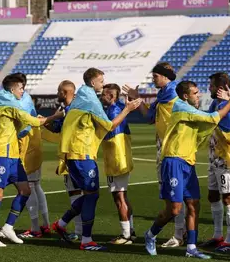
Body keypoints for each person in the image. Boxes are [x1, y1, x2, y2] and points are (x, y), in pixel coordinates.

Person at [144, 81, 230, 259]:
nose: (199, 96)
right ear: (185, 96)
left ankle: (191, 247)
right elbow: (211, 119)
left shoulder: (190, 110)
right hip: (173, 160)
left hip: (187, 161)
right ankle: (150, 235)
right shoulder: (181, 108)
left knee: (193, 205)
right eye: (195, 93)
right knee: (174, 209)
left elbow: (207, 121)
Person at [52, 68, 141, 251]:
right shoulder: (91, 100)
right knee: (92, 196)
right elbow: (109, 126)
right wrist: (127, 109)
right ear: (93, 82)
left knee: (88, 194)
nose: (103, 82)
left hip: (75, 152)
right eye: (101, 80)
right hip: (81, 152)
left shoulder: (82, 96)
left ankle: (61, 224)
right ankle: (86, 240)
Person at [124, 62, 185, 247]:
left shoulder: (170, 91)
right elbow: (150, 117)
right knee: (182, 197)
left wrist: (138, 99)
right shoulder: (164, 92)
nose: (153, 79)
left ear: (166, 76)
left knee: (174, 198)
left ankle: (176, 235)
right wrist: (138, 99)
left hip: (171, 151)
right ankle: (183, 236)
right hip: (170, 150)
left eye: (155, 76)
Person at [0, 74, 46, 247]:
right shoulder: (6, 104)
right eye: (20, 88)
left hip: (13, 156)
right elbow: (32, 121)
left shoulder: (12, 103)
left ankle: (8, 227)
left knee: (25, 190)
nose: (23, 91)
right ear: (12, 89)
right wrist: (53, 117)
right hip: (0, 155)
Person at [199, 72, 230, 253]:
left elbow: (228, 127)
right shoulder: (216, 103)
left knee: (229, 198)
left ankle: (229, 239)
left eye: (210, 86)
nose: (208, 88)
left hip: (227, 159)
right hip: (214, 158)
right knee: (212, 196)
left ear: (218, 88)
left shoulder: (226, 106)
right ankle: (217, 235)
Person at [42, 80, 81, 241]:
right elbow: (57, 128)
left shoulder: (75, 109)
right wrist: (46, 122)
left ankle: (78, 231)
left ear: (65, 93)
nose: (57, 94)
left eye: (59, 91)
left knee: (80, 195)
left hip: (75, 157)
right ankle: (79, 232)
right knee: (76, 194)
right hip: (72, 157)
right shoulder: (68, 109)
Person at [16, 73, 52, 239]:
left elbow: (22, 127)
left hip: (27, 146)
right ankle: (45, 224)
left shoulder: (20, 100)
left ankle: (35, 227)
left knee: (30, 187)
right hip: (34, 143)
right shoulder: (27, 98)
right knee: (36, 186)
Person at [100, 83, 136, 244]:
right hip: (122, 157)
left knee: (119, 197)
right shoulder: (120, 108)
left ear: (112, 96)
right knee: (123, 196)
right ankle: (131, 231)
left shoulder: (114, 111)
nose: (101, 97)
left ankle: (125, 235)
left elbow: (107, 130)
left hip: (116, 159)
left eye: (104, 94)